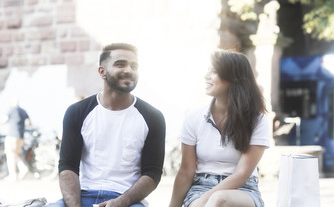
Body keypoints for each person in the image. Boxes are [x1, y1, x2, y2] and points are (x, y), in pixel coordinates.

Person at [46, 43, 166, 207]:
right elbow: (68, 166)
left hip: (127, 200)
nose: (129, 70)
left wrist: (121, 202)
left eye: (134, 66)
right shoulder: (77, 112)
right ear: (102, 72)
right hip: (82, 196)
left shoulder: (153, 117)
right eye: (120, 64)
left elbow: (152, 173)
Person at [169, 49, 270, 207]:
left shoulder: (257, 121)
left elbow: (242, 174)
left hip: (244, 191)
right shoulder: (193, 118)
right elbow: (186, 170)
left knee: (219, 199)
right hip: (200, 187)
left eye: (214, 72)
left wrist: (205, 201)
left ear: (233, 78)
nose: (206, 76)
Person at [1, 96, 31, 181]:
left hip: (12, 135)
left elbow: (4, 120)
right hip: (20, 136)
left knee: (10, 154)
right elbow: (29, 123)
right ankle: (23, 168)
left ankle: (13, 175)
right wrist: (21, 126)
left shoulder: (11, 109)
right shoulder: (23, 111)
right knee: (15, 154)